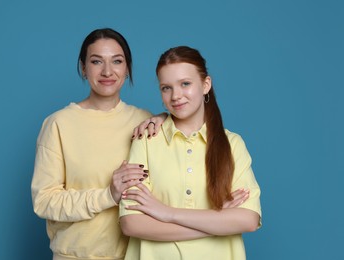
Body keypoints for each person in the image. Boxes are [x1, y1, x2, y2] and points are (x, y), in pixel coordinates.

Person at [31, 28, 166, 260]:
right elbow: (44, 201)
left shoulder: (146, 121)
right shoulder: (58, 124)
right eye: (96, 61)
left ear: (127, 69)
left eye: (117, 61)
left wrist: (166, 119)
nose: (107, 71)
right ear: (84, 68)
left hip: (137, 255)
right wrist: (108, 195)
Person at [119, 46, 262, 260]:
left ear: (206, 85)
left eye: (185, 84)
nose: (176, 96)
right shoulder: (146, 140)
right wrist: (217, 221)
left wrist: (168, 213)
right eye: (166, 88)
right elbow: (132, 223)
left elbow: (248, 219)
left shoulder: (233, 144)